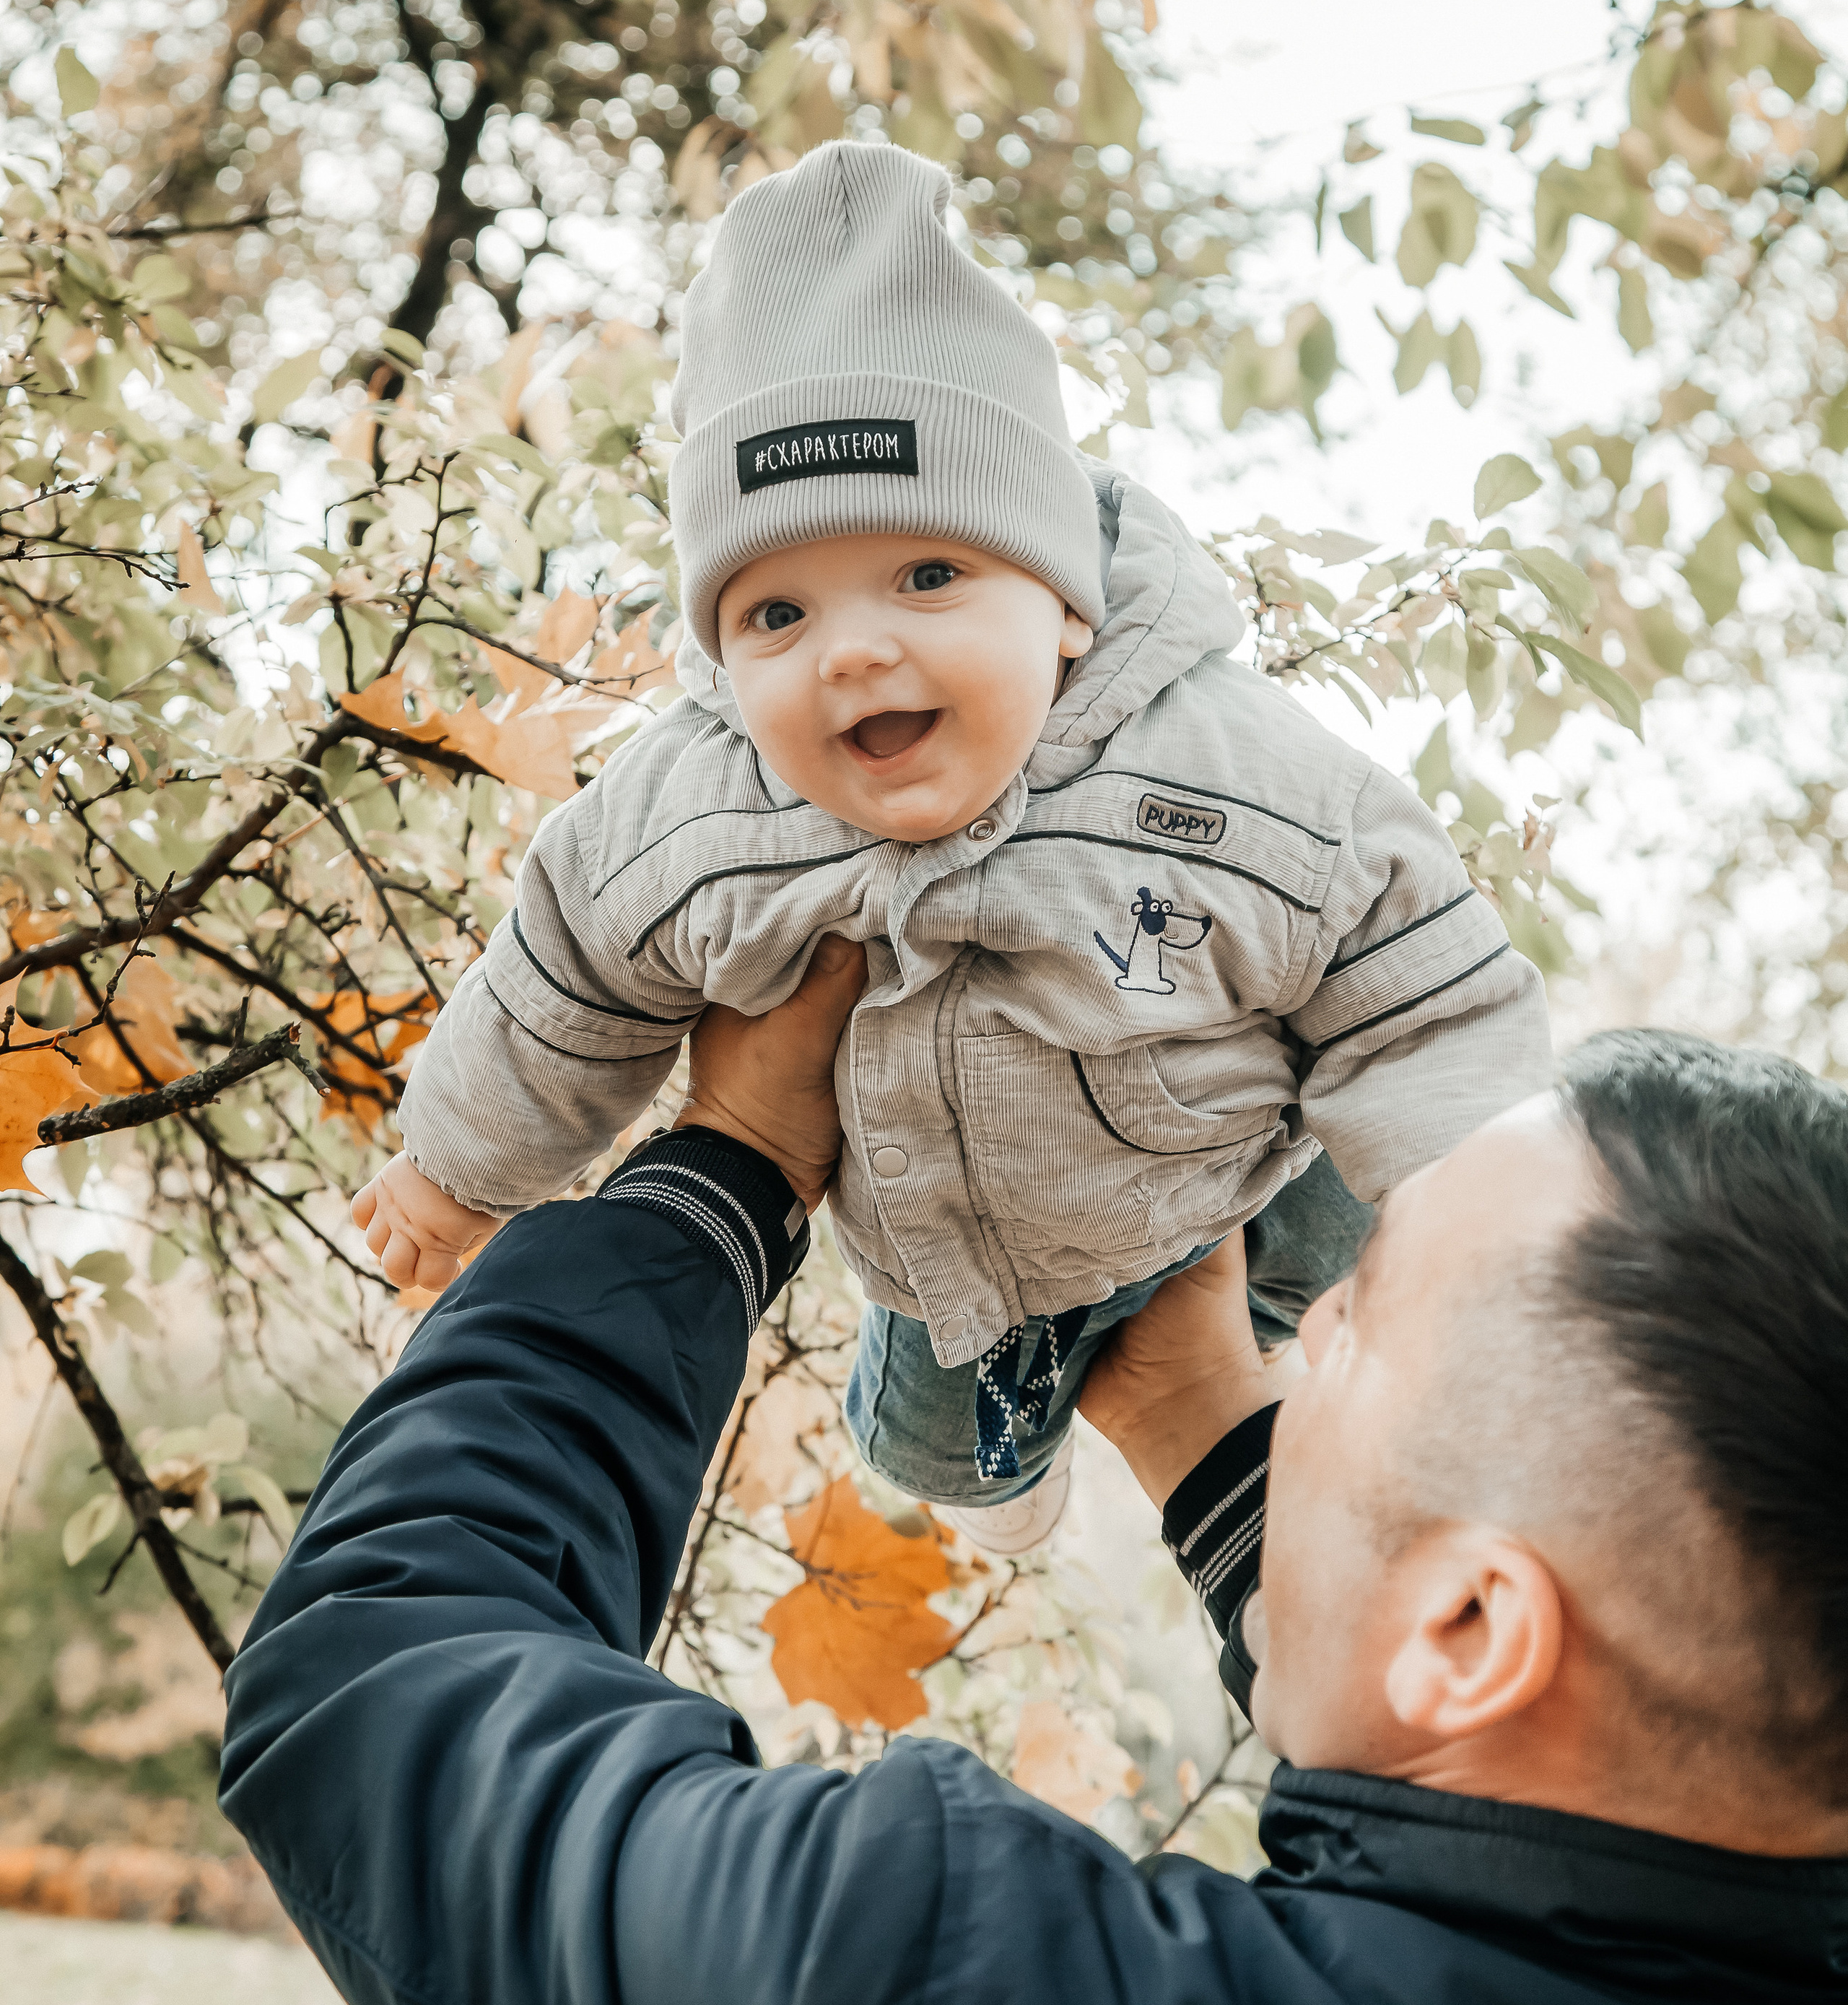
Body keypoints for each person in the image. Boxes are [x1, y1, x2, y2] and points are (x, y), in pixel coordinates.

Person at [225, 946, 1848, 2005]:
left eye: (1348, 1319)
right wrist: (1206, 1423)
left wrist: (725, 1159)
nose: (1313, 1327)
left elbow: (381, 1671)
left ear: (1476, 1627)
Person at [350, 136, 1548, 1549]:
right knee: (932, 1458)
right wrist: (452, 1161)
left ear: (1064, 602)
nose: (853, 650)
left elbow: (1409, 969)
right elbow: (562, 974)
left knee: (1392, 1292)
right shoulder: (691, 809)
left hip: (1249, 1170)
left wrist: (1476, 1219)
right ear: (719, 653)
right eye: (776, 614)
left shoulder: (1219, 766)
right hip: (958, 1264)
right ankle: (1008, 1473)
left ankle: (1325, 1395)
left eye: (929, 575)